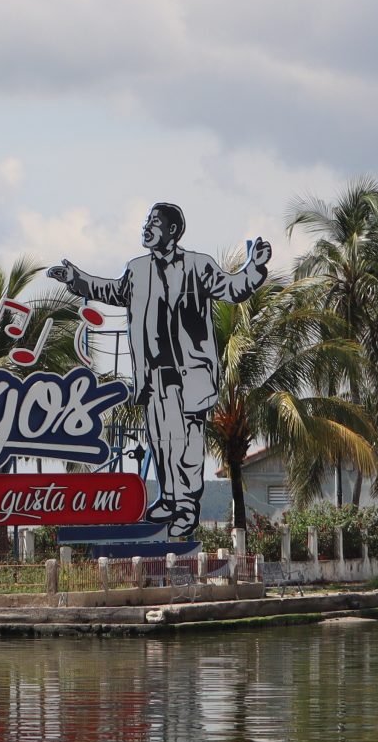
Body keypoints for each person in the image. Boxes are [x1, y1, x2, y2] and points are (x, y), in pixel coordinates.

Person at [48, 203, 270, 539]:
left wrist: (255, 268)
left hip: (192, 376)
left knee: (188, 446)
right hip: (155, 377)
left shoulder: (199, 266)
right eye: (146, 221)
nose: (146, 227)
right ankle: (168, 499)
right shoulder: (137, 270)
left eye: (154, 222)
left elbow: (234, 288)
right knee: (162, 443)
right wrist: (76, 279)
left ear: (172, 231)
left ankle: (187, 507)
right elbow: (112, 291)